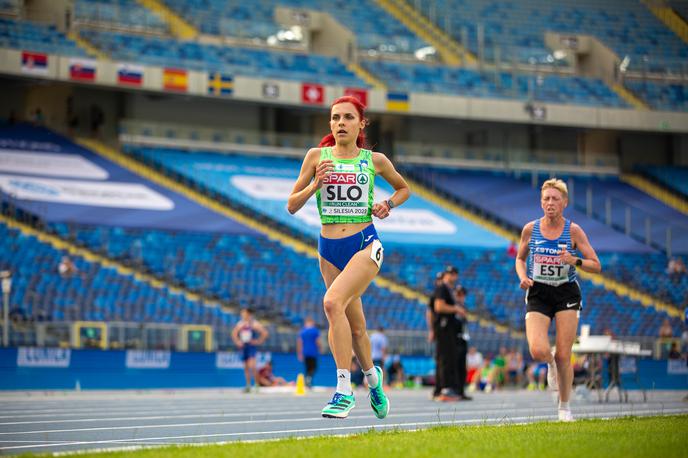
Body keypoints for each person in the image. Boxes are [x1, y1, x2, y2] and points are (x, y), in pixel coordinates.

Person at [287, 95, 410, 419]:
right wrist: (316, 184)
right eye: (335, 118)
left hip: (364, 244)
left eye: (347, 117)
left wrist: (388, 205)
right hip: (328, 249)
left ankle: (343, 391)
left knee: (331, 304)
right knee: (356, 329)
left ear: (361, 123)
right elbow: (292, 204)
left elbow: (403, 189)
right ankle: (373, 379)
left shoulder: (375, 160)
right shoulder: (317, 157)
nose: (340, 123)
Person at [515, 178, 601, 422]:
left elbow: (596, 265)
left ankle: (564, 408)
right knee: (538, 349)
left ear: (564, 203)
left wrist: (574, 261)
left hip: (566, 293)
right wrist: (523, 276)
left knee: (565, 355)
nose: (550, 203)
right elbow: (520, 258)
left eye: (555, 199)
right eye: (546, 199)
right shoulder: (530, 229)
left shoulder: (573, 231)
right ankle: (550, 363)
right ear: (541, 203)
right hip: (538, 292)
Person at [433, 266, 465, 401]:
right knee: (445, 359)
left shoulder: (449, 290)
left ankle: (447, 389)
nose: (452, 276)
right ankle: (445, 390)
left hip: (448, 328)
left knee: (449, 358)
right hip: (444, 328)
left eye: (454, 274)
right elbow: (438, 306)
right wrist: (456, 308)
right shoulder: (442, 288)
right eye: (450, 273)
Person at [231, 308, 269, 393]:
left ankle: (256, 385)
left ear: (248, 314)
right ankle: (248, 385)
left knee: (253, 366)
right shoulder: (240, 324)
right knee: (246, 367)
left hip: (251, 346)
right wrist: (237, 342)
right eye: (242, 313)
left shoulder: (254, 324)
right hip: (244, 347)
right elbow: (234, 333)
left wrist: (258, 341)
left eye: (243, 313)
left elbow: (265, 333)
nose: (242, 315)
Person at [427, 272, 443, 399]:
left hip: (446, 329)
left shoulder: (445, 292)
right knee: (440, 359)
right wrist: (432, 330)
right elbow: (430, 313)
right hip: (439, 329)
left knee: (444, 359)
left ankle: (443, 387)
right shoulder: (435, 295)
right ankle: (438, 388)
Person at [454, 285, 471, 400]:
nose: (461, 297)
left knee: (462, 367)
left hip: (463, 339)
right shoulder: (453, 307)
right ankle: (455, 390)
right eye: (459, 294)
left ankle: (461, 390)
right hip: (455, 339)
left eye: (462, 295)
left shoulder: (463, 307)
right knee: (455, 366)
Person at [297, 317, 321, 388]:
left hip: (305, 352)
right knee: (313, 367)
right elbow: (318, 341)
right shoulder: (315, 331)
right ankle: (309, 378)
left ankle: (307, 379)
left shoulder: (302, 332)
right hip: (313, 352)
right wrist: (320, 348)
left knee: (307, 367)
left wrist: (299, 353)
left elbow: (299, 343)